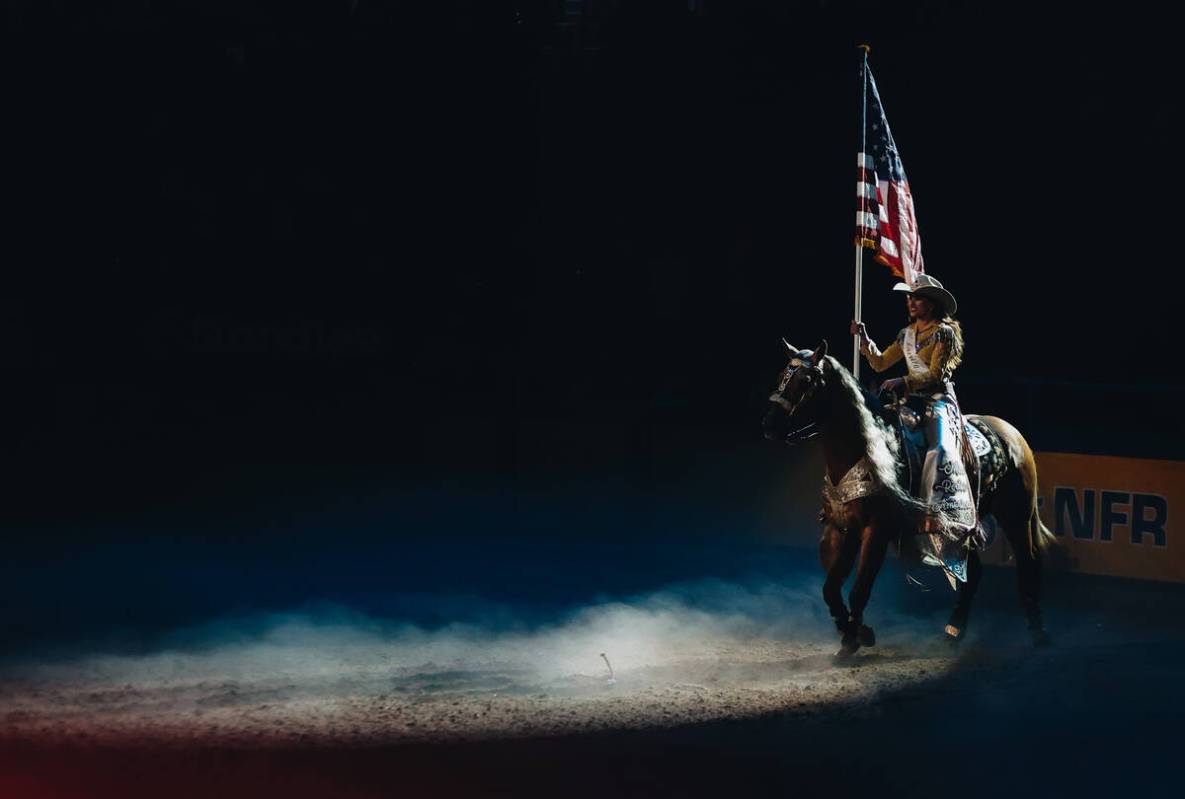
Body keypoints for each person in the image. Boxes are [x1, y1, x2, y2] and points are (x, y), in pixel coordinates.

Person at [849, 275, 979, 546]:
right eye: (909, 297)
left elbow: (936, 374)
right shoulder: (906, 334)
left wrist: (904, 380)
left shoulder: (945, 333)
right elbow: (881, 363)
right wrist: (864, 338)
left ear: (931, 305)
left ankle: (939, 511)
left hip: (938, 401)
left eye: (917, 298)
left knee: (940, 448)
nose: (910, 302)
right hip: (910, 402)